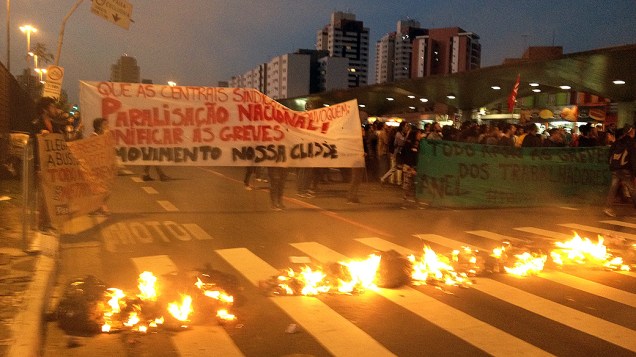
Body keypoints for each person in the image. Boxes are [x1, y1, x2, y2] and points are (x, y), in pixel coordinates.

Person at [604, 125, 636, 217]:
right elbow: (633, 158)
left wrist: (611, 165)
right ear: (630, 132)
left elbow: (610, 153)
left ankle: (607, 207)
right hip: (625, 169)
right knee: (632, 189)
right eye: (633, 131)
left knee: (613, 188)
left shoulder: (618, 141)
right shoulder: (630, 142)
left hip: (615, 168)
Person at [90, 118, 111, 215]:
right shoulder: (94, 136)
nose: (107, 126)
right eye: (105, 124)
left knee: (102, 188)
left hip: (103, 166)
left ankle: (96, 208)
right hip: (96, 167)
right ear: (99, 126)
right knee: (100, 188)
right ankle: (101, 207)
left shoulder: (104, 135)